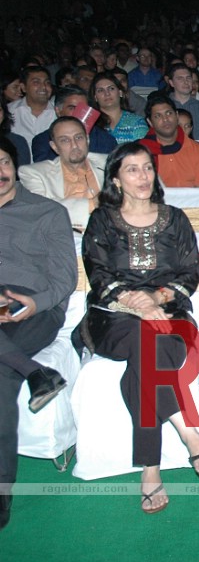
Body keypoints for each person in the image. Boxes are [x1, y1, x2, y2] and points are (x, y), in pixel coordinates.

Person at [80, 142, 199, 514]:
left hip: (170, 317)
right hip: (112, 317)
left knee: (145, 355)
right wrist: (134, 301)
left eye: (147, 168)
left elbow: (190, 273)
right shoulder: (102, 221)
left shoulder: (175, 218)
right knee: (144, 337)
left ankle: (151, 467)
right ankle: (188, 432)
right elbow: (98, 273)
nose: (143, 177)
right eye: (132, 170)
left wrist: (155, 300)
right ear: (116, 179)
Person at [0, 136, 77, 530]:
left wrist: (37, 302)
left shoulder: (47, 211)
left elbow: (65, 278)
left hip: (34, 310)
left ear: (14, 165)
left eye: (3, 162)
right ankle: (34, 372)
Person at [19, 116, 106, 230]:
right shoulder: (34, 173)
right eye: (65, 140)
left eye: (79, 138)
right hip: (64, 236)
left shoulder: (109, 163)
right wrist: (94, 203)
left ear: (87, 140)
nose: (74, 145)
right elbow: (42, 211)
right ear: (54, 147)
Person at [137, 94, 199, 188]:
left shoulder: (197, 150)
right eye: (158, 116)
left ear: (177, 116)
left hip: (191, 201)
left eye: (169, 113)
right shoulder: (141, 151)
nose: (165, 119)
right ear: (150, 122)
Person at [90, 72, 148, 145]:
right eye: (100, 90)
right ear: (95, 97)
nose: (107, 93)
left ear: (120, 92)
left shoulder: (137, 123)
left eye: (111, 88)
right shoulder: (91, 125)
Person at [164, 63, 199, 140]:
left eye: (188, 78)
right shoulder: (163, 108)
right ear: (171, 83)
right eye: (180, 78)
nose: (186, 82)